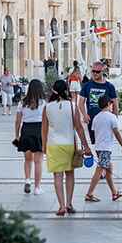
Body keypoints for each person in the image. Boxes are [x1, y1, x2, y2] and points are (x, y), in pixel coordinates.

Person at [42, 79, 92, 216]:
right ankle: (69, 204)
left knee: (57, 175)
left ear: (54, 91)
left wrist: (43, 146)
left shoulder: (47, 107)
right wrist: (86, 146)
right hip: (69, 144)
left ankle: (61, 206)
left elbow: (44, 129)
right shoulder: (72, 106)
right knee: (70, 174)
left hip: (53, 145)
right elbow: (79, 128)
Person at [84, 95, 122, 202]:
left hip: (99, 148)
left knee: (109, 170)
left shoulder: (96, 117)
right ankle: (89, 194)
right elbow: (116, 132)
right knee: (99, 171)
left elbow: (94, 131)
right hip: (105, 149)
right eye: (111, 104)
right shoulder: (112, 117)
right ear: (108, 104)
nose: (112, 106)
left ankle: (114, 193)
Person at [14, 79, 45, 195]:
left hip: (26, 131)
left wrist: (17, 135)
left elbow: (17, 121)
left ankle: (27, 180)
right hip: (39, 131)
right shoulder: (43, 103)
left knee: (27, 159)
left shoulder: (22, 102)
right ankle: (37, 187)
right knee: (38, 161)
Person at [80, 61, 117, 142]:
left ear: (102, 72)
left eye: (97, 72)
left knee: (104, 143)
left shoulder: (109, 86)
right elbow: (81, 102)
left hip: (105, 120)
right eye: (93, 71)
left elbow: (115, 103)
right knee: (95, 143)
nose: (95, 73)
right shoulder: (87, 85)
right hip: (92, 120)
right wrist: (85, 115)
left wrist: (115, 118)